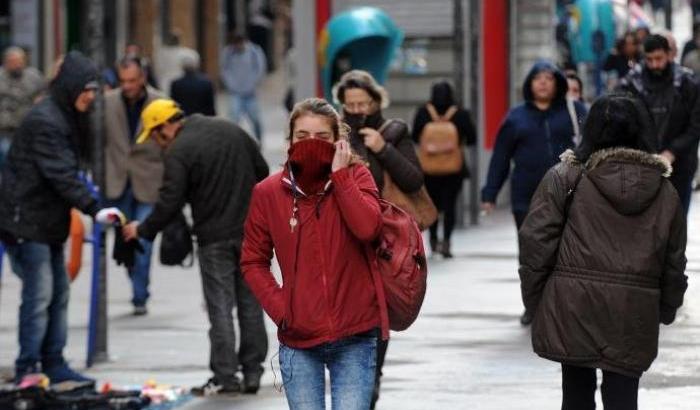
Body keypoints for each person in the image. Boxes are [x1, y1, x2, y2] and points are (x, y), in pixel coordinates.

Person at [519, 93, 687, 410]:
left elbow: (535, 244)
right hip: (633, 309)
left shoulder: (565, 177)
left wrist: (537, 299)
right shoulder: (665, 191)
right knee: (624, 397)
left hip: (573, 303)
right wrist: (665, 308)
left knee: (576, 394)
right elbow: (674, 261)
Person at [240, 98, 389, 410]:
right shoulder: (268, 193)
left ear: (338, 142)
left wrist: (341, 176)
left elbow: (368, 229)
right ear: (290, 140)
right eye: (302, 136)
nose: (311, 144)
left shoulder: (358, 178)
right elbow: (253, 260)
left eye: (322, 138)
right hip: (298, 338)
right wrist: (283, 309)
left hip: (356, 333)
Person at [122, 99, 270, 396]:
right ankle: (253, 372)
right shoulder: (230, 129)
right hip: (252, 234)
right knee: (251, 305)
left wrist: (142, 229)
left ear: (166, 126)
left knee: (220, 309)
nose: (156, 142)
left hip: (213, 238)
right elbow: (263, 172)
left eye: (154, 134)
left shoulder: (178, 151)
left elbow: (169, 201)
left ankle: (226, 376)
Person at [0, 51, 124, 384]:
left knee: (57, 293)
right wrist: (94, 208)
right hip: (27, 220)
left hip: (46, 220)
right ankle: (29, 366)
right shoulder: (46, 121)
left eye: (95, 90)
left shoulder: (65, 115)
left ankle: (53, 361)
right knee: (39, 295)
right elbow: (60, 173)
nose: (92, 96)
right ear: (70, 87)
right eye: (87, 89)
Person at [333, 69, 423, 409]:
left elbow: (413, 180)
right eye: (350, 104)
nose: (357, 110)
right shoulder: (334, 135)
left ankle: (370, 379)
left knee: (377, 311)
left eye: (363, 103)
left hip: (382, 242)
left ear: (375, 101)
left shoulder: (394, 132)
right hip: (342, 238)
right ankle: (352, 378)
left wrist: (383, 149)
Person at [481, 61, 586, 326]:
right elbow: (501, 157)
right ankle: (533, 303)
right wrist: (490, 192)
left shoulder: (574, 112)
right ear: (529, 84)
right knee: (531, 254)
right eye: (537, 78)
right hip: (525, 196)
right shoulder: (516, 117)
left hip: (568, 194)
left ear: (558, 83)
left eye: (548, 78)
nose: (542, 82)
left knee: (566, 251)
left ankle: (564, 305)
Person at [104, 56, 166, 315]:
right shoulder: (107, 103)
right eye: (123, 81)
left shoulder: (161, 103)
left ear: (142, 78)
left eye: (132, 80)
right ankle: (137, 282)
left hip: (149, 182)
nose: (127, 86)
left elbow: (172, 144)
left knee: (144, 240)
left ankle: (140, 295)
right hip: (118, 183)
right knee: (125, 243)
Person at [618, 34, 700, 214]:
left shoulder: (687, 83)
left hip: (680, 165)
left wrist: (672, 151)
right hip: (641, 166)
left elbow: (696, 125)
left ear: (669, 55)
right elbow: (622, 122)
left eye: (659, 59)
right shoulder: (632, 83)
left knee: (676, 223)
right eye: (650, 59)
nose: (655, 64)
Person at [412, 81, 476, 257]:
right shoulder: (460, 113)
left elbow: (415, 137)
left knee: (431, 204)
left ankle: (433, 240)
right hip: (454, 169)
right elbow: (472, 138)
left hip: (428, 169)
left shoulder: (423, 113)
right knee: (450, 206)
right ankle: (447, 241)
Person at [0, 46, 46, 169]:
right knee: (7, 158)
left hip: (27, 128)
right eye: (13, 62)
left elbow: (43, 94)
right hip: (5, 130)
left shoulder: (34, 77)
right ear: (6, 62)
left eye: (20, 61)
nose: (17, 65)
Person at [221, 33, 267, 142]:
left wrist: (254, 82)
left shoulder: (254, 51)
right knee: (234, 118)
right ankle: (232, 141)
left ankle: (259, 139)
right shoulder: (228, 53)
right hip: (235, 92)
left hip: (250, 92)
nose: (238, 47)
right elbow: (224, 69)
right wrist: (230, 84)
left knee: (255, 119)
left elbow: (260, 68)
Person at [170, 52, 216, 116]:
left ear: (182, 67)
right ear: (197, 65)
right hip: (203, 120)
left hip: (184, 120)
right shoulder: (207, 83)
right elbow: (211, 107)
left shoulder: (176, 84)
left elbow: (174, 106)